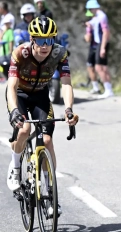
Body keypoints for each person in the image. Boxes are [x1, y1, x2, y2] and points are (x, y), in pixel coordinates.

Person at [6, 16, 79, 215]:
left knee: (47, 141)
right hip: (20, 95)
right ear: (32, 38)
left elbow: (66, 83)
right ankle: (14, 166)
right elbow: (11, 86)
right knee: (25, 129)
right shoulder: (20, 52)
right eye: (40, 40)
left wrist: (69, 109)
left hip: (40, 96)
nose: (45, 45)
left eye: (49, 39)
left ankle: (49, 192)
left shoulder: (59, 53)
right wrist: (14, 111)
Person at [86, 0, 114, 99]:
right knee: (102, 67)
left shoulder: (101, 16)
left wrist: (102, 48)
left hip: (102, 43)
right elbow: (88, 37)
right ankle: (108, 89)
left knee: (99, 67)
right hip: (99, 44)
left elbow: (106, 32)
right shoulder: (96, 17)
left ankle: (108, 90)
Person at [84, 9, 100, 93]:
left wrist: (85, 36)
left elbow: (88, 39)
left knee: (90, 67)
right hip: (100, 46)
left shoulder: (90, 24)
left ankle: (96, 87)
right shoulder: (99, 21)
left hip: (93, 47)